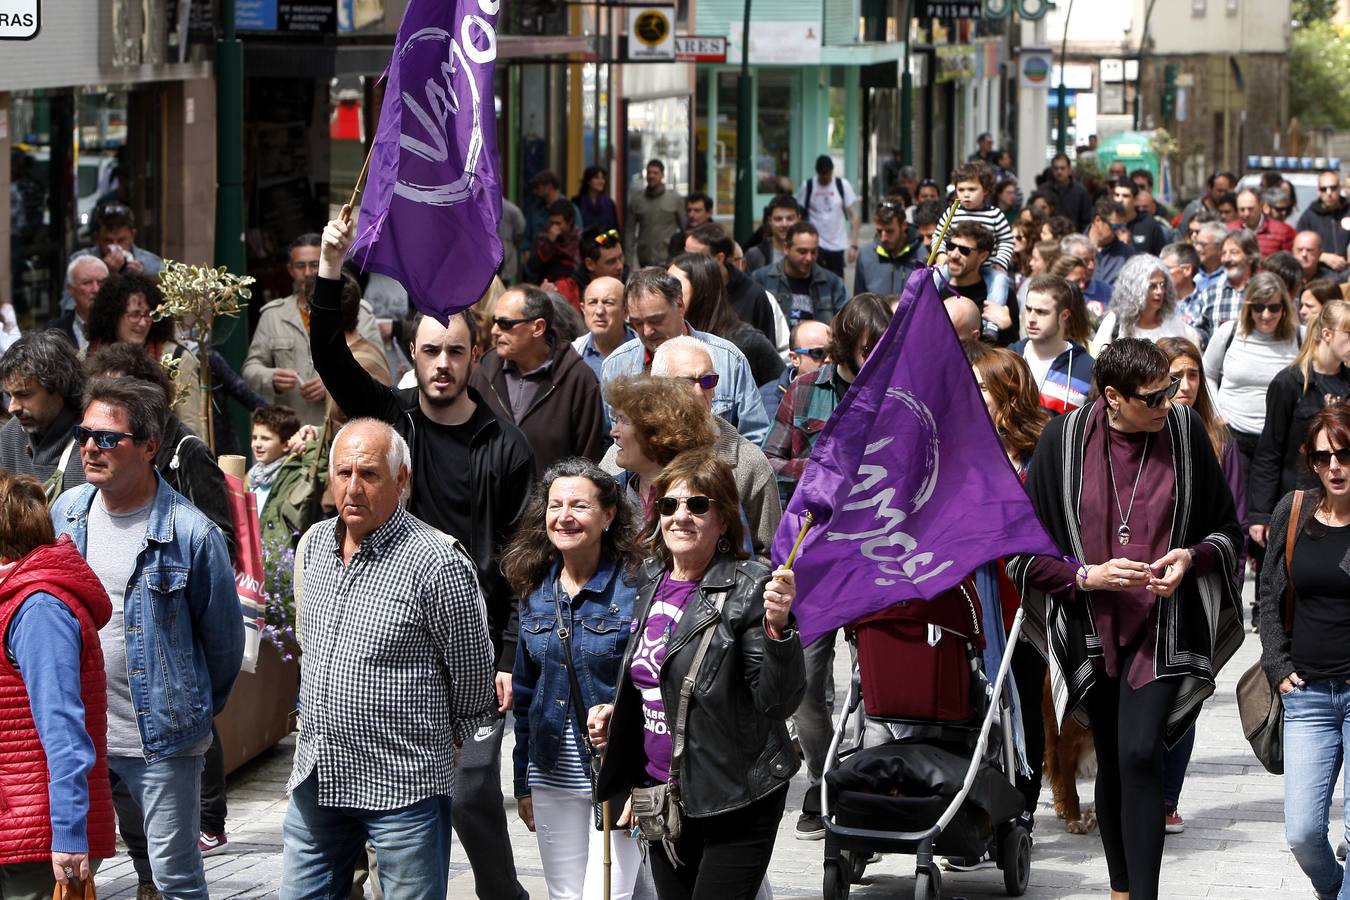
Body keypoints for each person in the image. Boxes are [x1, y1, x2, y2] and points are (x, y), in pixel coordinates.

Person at [313, 213, 535, 900]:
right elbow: (328, 357)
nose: (442, 365)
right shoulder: (393, 419)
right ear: (413, 353)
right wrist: (330, 265)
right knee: (365, 792)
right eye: (431, 351)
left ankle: (502, 893)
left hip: (472, 641)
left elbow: (522, 562)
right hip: (392, 641)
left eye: (456, 352)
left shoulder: (505, 446)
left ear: (476, 358)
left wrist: (505, 653)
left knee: (470, 790)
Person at [1008, 339, 1243, 900]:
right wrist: (1085, 576)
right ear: (1113, 397)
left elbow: (1225, 532)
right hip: (1090, 622)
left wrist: (1191, 558)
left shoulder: (1185, 436)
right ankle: (1120, 889)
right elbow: (1021, 553)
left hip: (1167, 623)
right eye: (1155, 395)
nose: (1171, 400)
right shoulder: (1061, 443)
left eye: (1172, 388)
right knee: (1113, 757)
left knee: (1140, 751)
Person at [280, 419, 497, 900]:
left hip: (402, 783)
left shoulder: (437, 561)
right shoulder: (314, 544)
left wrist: (448, 744)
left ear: (402, 480)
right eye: (343, 473)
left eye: (370, 474)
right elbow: (310, 649)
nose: (353, 487)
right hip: (318, 772)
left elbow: (474, 678)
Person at [51, 377, 243, 900]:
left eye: (108, 438)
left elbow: (224, 645)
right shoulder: (67, 514)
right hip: (80, 737)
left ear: (150, 446)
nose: (91, 447)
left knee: (175, 877)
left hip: (160, 742)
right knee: (74, 871)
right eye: (85, 434)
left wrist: (188, 709)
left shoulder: (190, 533)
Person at [588, 447, 804, 899]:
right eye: (669, 504)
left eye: (698, 504)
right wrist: (621, 713)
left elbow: (776, 701)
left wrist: (779, 629)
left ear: (723, 520)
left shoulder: (752, 588)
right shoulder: (649, 579)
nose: (680, 516)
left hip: (736, 797)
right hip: (662, 794)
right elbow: (654, 678)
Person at [504, 460, 644, 900]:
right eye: (555, 504)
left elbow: (653, 687)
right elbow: (524, 696)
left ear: (608, 515)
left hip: (618, 773)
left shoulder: (638, 586)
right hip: (551, 772)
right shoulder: (533, 587)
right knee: (565, 895)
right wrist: (523, 780)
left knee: (609, 895)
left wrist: (647, 778)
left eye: (579, 506)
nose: (563, 516)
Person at [0, 472, 115, 900]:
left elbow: (64, 730)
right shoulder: (18, 599)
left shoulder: (39, 610)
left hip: (35, 836)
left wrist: (68, 833)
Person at [1155, 336, 1245, 835]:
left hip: (1201, 585)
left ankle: (1168, 798)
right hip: (1148, 582)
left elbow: (1233, 517)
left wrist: (1221, 585)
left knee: (1186, 695)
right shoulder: (1144, 435)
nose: (1183, 385)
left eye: (1191, 375)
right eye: (1173, 376)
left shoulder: (1218, 437)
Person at [1261, 405, 1350, 899]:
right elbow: (1270, 597)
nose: (1335, 466)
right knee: (1302, 834)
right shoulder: (1293, 512)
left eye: (1345, 454)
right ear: (1312, 464)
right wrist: (1277, 664)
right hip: (1307, 697)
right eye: (1324, 458)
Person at [964, 344, 1050, 827]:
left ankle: (1022, 805)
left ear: (1008, 393)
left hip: (1024, 604)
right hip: (969, 601)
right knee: (974, 700)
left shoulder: (1040, 455)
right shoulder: (961, 448)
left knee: (1022, 698)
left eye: (980, 386)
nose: (971, 395)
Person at [646, 336, 783, 562]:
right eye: (686, 382)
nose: (699, 392)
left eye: (707, 381)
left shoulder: (748, 463)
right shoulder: (627, 455)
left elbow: (770, 554)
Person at [601, 267, 770, 446]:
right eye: (637, 323)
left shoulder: (728, 359)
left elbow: (755, 437)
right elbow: (612, 444)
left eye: (656, 320)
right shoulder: (616, 365)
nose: (647, 331)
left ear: (680, 306)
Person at [243, 233, 381, 427]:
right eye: (300, 266)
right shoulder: (272, 315)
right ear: (290, 270)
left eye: (315, 264)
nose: (307, 272)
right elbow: (250, 369)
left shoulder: (357, 310)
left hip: (341, 430)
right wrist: (271, 377)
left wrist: (334, 383)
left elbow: (377, 369)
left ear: (327, 263)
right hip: (290, 433)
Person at [1248, 300, 1350, 550]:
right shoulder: (1289, 382)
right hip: (1297, 498)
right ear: (1327, 334)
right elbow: (1269, 451)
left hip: (1343, 501)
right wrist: (1261, 514)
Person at [470, 285, 606, 470]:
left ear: (538, 327)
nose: (494, 330)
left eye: (505, 324)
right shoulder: (485, 370)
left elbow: (587, 462)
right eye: (494, 321)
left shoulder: (577, 379)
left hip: (551, 497)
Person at [1204, 272, 1302, 479]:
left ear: (1284, 307)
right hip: (1234, 435)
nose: (1266, 314)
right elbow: (1207, 374)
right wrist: (1216, 412)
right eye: (1258, 307)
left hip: (1281, 442)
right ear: (1248, 307)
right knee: (1236, 506)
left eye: (1274, 307)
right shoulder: (1228, 332)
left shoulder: (1300, 337)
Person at [86, 272, 205, 439]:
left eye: (149, 315)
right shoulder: (88, 355)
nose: (143, 323)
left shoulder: (177, 359)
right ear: (114, 316)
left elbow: (190, 427)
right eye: (135, 315)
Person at [603, 374, 715, 516]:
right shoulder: (610, 494)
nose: (613, 432)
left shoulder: (706, 494)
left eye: (624, 420)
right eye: (616, 420)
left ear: (657, 429)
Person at [668, 253, 782, 389]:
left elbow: (781, 388)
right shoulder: (665, 337)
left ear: (701, 291)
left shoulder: (746, 340)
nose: (666, 296)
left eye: (675, 288)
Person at [0, 332, 88, 497]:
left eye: (24, 395)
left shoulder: (91, 439)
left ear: (58, 387)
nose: (12, 408)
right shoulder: (10, 437)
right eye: (9, 395)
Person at [1009, 274, 1094, 414]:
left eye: (1041, 312)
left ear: (1064, 315)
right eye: (1029, 309)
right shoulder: (1009, 357)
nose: (1031, 319)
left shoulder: (1088, 370)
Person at [683, 224, 779, 343]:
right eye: (685, 254)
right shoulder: (684, 286)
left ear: (719, 258)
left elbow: (766, 351)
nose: (685, 262)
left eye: (695, 258)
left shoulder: (754, 295)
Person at [937, 162, 1015, 305]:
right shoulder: (952, 212)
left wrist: (1000, 262)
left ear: (985, 190)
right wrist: (941, 253)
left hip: (988, 267)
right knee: (933, 278)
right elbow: (939, 236)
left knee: (1001, 281)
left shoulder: (995, 214)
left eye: (972, 189)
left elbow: (1006, 241)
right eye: (961, 189)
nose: (966, 194)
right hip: (954, 264)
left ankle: (991, 322)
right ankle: (920, 311)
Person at [1092, 255, 1202, 353]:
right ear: (1134, 289)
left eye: (1162, 285)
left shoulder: (1177, 326)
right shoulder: (1115, 322)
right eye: (1152, 286)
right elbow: (1096, 362)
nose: (1160, 291)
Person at [63, 205, 163, 312]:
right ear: (97, 237)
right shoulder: (80, 262)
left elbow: (164, 310)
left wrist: (143, 280)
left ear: (133, 235)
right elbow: (68, 308)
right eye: (108, 241)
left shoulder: (152, 264)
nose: (115, 248)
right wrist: (104, 274)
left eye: (121, 240)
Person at [751, 222, 848, 328]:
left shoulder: (833, 284)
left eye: (814, 252)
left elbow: (845, 325)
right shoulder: (761, 279)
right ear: (786, 249)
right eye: (802, 252)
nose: (809, 258)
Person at [1187, 228, 1261, 344]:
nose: (1227, 259)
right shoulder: (1210, 293)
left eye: (1234, 252)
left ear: (1250, 257)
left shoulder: (1262, 292)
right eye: (1223, 253)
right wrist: (1196, 336)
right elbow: (1204, 330)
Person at [795, 155, 860, 278]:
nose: (825, 177)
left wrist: (854, 245)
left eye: (828, 173)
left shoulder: (842, 185)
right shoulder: (808, 186)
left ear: (832, 171)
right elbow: (798, 216)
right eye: (822, 174)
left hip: (837, 245)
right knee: (815, 280)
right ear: (817, 172)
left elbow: (854, 217)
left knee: (837, 281)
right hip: (816, 245)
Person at [573, 276, 635, 381]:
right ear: (583, 309)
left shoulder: (644, 352)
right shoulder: (573, 354)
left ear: (626, 310)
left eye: (608, 302)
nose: (599, 311)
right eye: (592, 302)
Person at [625, 160, 684, 269]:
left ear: (662, 175)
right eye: (649, 173)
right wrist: (628, 261)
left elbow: (684, 228)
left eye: (655, 173)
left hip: (668, 258)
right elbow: (629, 231)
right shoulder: (637, 200)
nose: (651, 176)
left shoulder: (675, 199)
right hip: (644, 259)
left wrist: (681, 256)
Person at [532, 202, 584, 310]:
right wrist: (549, 242)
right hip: (547, 292)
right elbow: (533, 265)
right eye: (552, 222)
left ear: (569, 222)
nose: (554, 227)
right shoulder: (544, 237)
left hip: (570, 295)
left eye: (558, 223)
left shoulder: (579, 240)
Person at [1295, 169, 1350, 271]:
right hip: (1321, 275)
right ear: (1318, 191)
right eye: (1324, 189)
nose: (1329, 193)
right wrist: (1323, 257)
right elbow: (1298, 249)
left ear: (1339, 189)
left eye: (1333, 188)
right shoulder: (1309, 216)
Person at [50, 257, 108, 353]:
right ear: (70, 289)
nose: (96, 289)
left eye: (101, 282)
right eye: (87, 283)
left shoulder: (122, 327)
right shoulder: (53, 333)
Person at [743, 195, 800, 274]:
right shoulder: (754, 255)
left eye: (790, 218)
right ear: (770, 221)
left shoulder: (812, 253)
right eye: (778, 219)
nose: (784, 224)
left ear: (798, 219)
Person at [1111, 179, 1168, 256]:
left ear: (1135, 199)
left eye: (1125, 196)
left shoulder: (1149, 224)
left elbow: (1160, 256)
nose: (1120, 200)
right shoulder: (1106, 222)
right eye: (1117, 195)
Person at [1232, 187, 1295, 256]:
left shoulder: (1284, 231)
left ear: (1261, 206)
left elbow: (1290, 263)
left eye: (1250, 209)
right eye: (1242, 209)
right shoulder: (1230, 230)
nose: (1246, 213)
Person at [1087, 199, 1136, 288]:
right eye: (1115, 226)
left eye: (1122, 226)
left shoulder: (1127, 253)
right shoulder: (1074, 249)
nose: (1119, 231)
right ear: (1097, 221)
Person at [1045, 153, 1093, 232]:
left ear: (1069, 170)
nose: (1059, 171)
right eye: (1056, 168)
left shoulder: (1080, 192)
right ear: (1052, 170)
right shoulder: (1044, 190)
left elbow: (1086, 220)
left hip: (1074, 237)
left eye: (1062, 168)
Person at [669, 192, 715, 261]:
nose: (691, 214)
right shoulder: (677, 239)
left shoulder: (717, 238)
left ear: (709, 213)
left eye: (697, 211)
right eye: (689, 210)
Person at [574, 165, 620, 233]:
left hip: (604, 241)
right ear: (588, 181)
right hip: (581, 241)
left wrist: (601, 240)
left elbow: (614, 229)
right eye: (596, 178)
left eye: (602, 178)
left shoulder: (609, 204)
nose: (601, 181)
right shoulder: (577, 202)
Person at [1189, 220, 1229, 297]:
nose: (1197, 248)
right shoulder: (1191, 274)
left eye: (1203, 244)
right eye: (1196, 243)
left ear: (1220, 247)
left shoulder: (1230, 276)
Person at [1160, 242, 1200, 308]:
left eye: (1166, 268)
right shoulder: (1157, 302)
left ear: (1187, 270)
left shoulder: (1204, 302)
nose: (1161, 273)